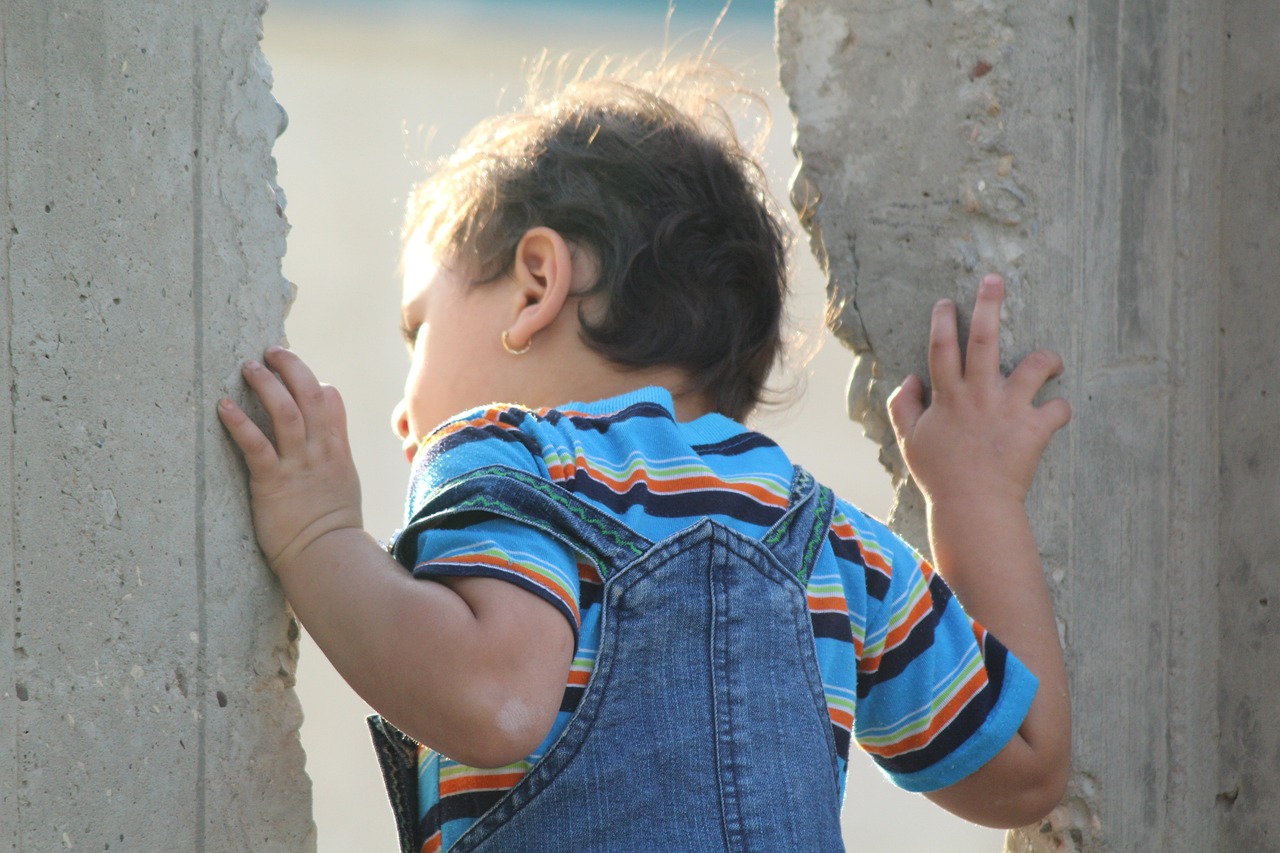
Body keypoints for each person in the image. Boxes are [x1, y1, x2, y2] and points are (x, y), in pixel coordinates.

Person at [217, 61, 1071, 853]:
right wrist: (974, 495)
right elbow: (1027, 765)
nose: (405, 410)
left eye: (419, 330)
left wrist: (319, 535)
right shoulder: (830, 541)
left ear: (535, 286)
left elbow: (497, 696)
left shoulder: (511, 459)